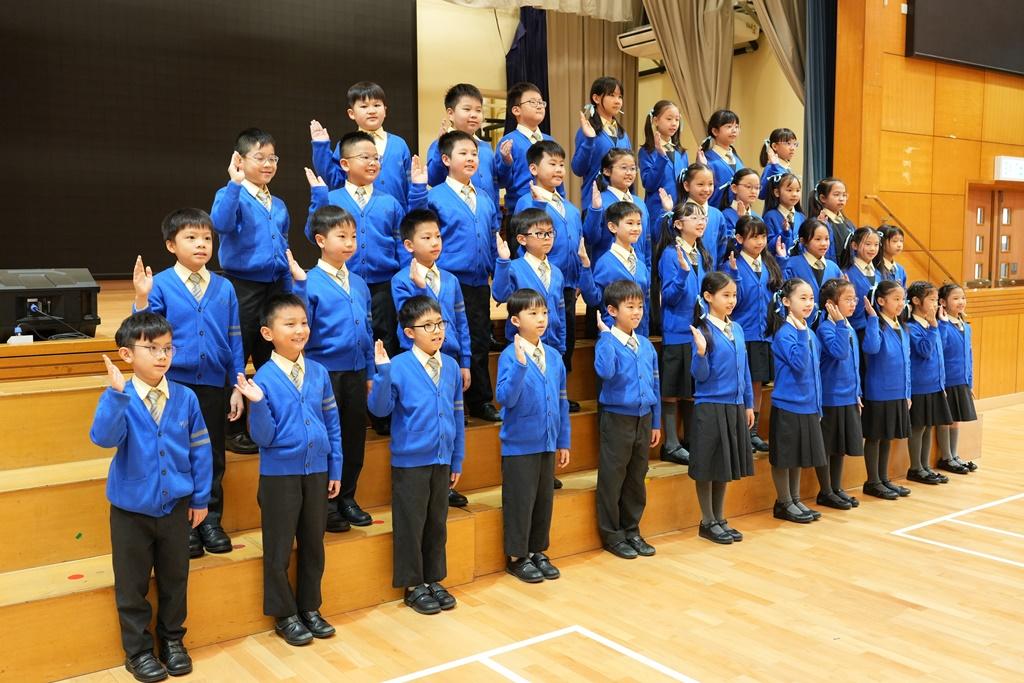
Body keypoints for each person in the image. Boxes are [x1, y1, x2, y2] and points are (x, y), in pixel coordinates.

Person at [90, 312, 212, 681]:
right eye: (152, 348)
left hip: (175, 509)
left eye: (167, 348)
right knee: (132, 585)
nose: (162, 356)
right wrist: (114, 395)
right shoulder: (121, 397)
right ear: (127, 354)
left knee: (175, 578)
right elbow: (103, 438)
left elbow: (200, 450)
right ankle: (138, 651)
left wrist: (200, 499)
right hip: (131, 513)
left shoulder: (186, 398)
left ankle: (173, 640)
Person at [131, 208, 243, 557]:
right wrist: (141, 299)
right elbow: (145, 332)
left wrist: (237, 385)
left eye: (207, 238)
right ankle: (183, 524)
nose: (201, 244)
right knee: (179, 453)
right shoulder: (161, 285)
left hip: (214, 386)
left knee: (212, 453)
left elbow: (235, 338)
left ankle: (210, 519)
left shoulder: (224, 287)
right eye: (191, 238)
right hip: (175, 386)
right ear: (171, 245)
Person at [234, 294, 341, 646]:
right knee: (279, 548)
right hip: (279, 477)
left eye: (304, 323)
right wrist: (258, 404)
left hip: (317, 472)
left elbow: (332, 424)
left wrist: (335, 468)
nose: (300, 330)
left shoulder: (319, 372)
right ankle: (285, 614)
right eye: (290, 324)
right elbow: (263, 437)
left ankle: (310, 607)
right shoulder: (263, 379)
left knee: (313, 544)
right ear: (268, 333)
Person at [368, 296, 466, 615]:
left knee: (437, 522)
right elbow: (379, 409)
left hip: (442, 458)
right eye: (428, 326)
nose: (437, 331)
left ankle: (433, 578)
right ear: (410, 332)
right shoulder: (398, 366)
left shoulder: (451, 366)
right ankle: (413, 585)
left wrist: (457, 458)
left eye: (440, 324)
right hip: (410, 462)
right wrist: (382, 373)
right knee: (411, 524)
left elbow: (457, 414)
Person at [292, 204, 375, 532]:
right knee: (328, 438)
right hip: (324, 373)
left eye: (353, 236)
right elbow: (301, 330)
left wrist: (370, 372)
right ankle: (325, 503)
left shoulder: (360, 283)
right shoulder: (308, 282)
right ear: (320, 240)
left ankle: (348, 497)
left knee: (354, 436)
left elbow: (368, 331)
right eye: (342, 236)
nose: (350, 242)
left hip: (355, 372)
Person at [210, 128, 290, 456]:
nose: (268, 164)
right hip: (241, 286)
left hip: (274, 287)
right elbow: (221, 224)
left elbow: (283, 246)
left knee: (271, 355)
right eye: (260, 158)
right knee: (237, 353)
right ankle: (231, 429)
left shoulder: (279, 203)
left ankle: (267, 423)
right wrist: (234, 183)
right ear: (240, 160)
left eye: (273, 158)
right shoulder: (231, 193)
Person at [391, 208, 474, 508]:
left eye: (437, 236)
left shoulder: (450, 279)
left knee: (450, 419)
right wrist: (421, 287)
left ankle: (446, 480)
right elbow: (416, 319)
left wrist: (465, 361)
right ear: (409, 245)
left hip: (449, 360)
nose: (435, 242)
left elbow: (461, 323)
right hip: (419, 362)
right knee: (427, 418)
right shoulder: (401, 280)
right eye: (426, 238)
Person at [423, 130, 501, 423]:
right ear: (446, 160)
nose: (471, 159)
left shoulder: (485, 197)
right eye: (463, 153)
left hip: (478, 282)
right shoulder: (434, 197)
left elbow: (492, 238)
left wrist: (496, 272)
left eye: (474, 154)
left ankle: (480, 401)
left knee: (478, 341)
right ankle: (450, 404)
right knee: (446, 341)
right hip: (447, 281)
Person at [495, 289, 571, 582]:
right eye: (533, 313)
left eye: (544, 313)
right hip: (519, 445)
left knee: (543, 500)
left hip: (547, 442)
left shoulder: (553, 356)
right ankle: (517, 556)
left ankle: (537, 549)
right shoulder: (509, 356)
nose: (541, 319)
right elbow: (505, 398)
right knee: (520, 501)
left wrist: (563, 440)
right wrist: (520, 366)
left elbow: (562, 401)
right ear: (515, 320)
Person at [514, 140, 587, 408]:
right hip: (538, 284)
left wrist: (577, 278)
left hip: (565, 284)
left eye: (561, 164)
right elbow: (524, 241)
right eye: (552, 163)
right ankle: (537, 394)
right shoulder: (528, 201)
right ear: (534, 169)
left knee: (564, 338)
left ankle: (559, 393)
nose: (558, 169)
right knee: (539, 337)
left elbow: (577, 242)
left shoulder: (569, 207)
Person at [593, 280, 661, 560]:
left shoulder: (646, 345)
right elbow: (605, 372)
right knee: (613, 478)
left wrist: (656, 422)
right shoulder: (606, 343)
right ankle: (612, 534)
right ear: (612, 310)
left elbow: (655, 385)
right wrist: (607, 337)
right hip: (617, 418)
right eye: (630, 307)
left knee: (636, 477)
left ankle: (632, 529)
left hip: (643, 419)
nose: (637, 312)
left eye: (640, 307)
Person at [688, 272, 755, 544]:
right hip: (711, 405)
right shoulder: (702, 330)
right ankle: (707, 521)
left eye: (734, 295)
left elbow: (745, 369)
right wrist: (701, 353)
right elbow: (699, 376)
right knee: (708, 466)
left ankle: (719, 517)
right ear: (708, 296)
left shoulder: (737, 328)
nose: (731, 301)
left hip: (734, 405)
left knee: (723, 465)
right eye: (725, 295)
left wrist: (748, 403)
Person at [654, 202, 712, 465]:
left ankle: (690, 439)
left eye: (702, 217)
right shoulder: (670, 254)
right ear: (678, 224)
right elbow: (668, 296)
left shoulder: (700, 252)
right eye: (693, 217)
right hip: (677, 329)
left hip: (698, 330)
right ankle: (671, 444)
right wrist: (683, 273)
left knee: (691, 386)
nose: (700, 221)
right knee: (672, 386)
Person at [815, 278, 879, 510]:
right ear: (831, 304)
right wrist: (841, 325)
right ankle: (825, 491)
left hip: (848, 396)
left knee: (839, 446)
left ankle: (836, 487)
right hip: (831, 398)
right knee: (827, 447)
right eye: (848, 300)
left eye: (854, 299)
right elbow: (840, 353)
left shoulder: (847, 326)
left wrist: (857, 392)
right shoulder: (826, 328)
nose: (853, 304)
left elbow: (854, 364)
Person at [766, 278, 826, 524]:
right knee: (785, 457)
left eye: (811, 298)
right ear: (786, 301)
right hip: (788, 405)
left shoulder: (808, 332)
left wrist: (818, 404)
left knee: (798, 456)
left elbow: (815, 372)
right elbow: (800, 365)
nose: (809, 303)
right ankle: (783, 502)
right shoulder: (786, 333)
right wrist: (802, 334)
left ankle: (794, 498)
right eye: (803, 298)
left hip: (808, 405)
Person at [727, 215, 787, 453]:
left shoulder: (769, 263)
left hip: (765, 334)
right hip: (744, 333)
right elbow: (735, 301)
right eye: (753, 237)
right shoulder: (732, 265)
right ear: (740, 238)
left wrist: (782, 262)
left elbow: (778, 294)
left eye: (762, 236)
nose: (760, 242)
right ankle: (739, 432)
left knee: (757, 383)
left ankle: (752, 433)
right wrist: (734, 275)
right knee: (742, 383)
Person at [309, 81, 417, 210]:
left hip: (395, 215)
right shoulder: (346, 144)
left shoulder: (399, 144)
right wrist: (321, 146)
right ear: (351, 113)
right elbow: (334, 180)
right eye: (364, 106)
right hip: (355, 213)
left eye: (377, 105)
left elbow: (410, 184)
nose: (372, 111)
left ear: (385, 110)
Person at [861, 281, 912, 500]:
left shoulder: (902, 326)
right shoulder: (876, 325)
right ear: (881, 301)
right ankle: (872, 481)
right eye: (896, 299)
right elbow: (871, 348)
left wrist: (907, 392)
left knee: (887, 437)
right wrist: (872, 318)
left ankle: (883, 478)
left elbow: (907, 362)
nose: (901, 303)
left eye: (903, 299)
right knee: (875, 437)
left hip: (898, 392)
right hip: (879, 392)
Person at [426, 83, 500, 220]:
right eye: (467, 109)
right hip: (452, 217)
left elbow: (494, 185)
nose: (473, 115)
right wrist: (439, 149)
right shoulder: (438, 145)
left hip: (487, 217)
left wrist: (497, 217)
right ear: (451, 113)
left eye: (478, 110)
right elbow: (433, 179)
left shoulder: (485, 147)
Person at [905, 281, 954, 485]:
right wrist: (934, 326)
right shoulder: (912, 327)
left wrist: (940, 325)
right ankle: (915, 468)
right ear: (916, 301)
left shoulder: (931, 324)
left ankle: (925, 466)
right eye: (932, 300)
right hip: (920, 387)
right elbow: (925, 351)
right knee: (918, 428)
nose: (936, 304)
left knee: (928, 426)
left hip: (935, 385)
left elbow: (941, 347)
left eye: (936, 300)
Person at [496, 81, 563, 216]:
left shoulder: (549, 140)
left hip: (551, 209)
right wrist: (506, 163)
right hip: (522, 212)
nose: (539, 106)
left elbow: (558, 179)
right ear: (516, 110)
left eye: (541, 102)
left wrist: (562, 201)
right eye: (532, 102)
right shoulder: (509, 141)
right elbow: (501, 182)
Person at [583, 148, 655, 270]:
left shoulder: (639, 203)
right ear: (607, 171)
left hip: (638, 271)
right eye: (623, 168)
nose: (629, 173)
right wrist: (595, 210)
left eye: (633, 168)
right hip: (610, 271)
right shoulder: (600, 201)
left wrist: (647, 271)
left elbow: (647, 243)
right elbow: (590, 238)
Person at [589, 201, 653, 337]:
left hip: (639, 335)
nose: (636, 228)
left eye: (639, 223)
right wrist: (584, 269)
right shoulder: (605, 263)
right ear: (612, 227)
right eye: (630, 223)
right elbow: (595, 298)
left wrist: (644, 337)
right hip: (613, 334)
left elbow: (645, 303)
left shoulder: (640, 265)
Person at [935, 283, 979, 474]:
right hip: (947, 381)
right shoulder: (942, 325)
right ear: (943, 302)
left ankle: (954, 455)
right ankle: (946, 457)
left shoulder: (965, 326)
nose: (961, 302)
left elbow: (969, 356)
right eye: (955, 298)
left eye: (963, 298)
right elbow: (940, 351)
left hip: (961, 381)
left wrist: (969, 382)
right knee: (945, 419)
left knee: (956, 419)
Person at [572, 75, 631, 202]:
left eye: (620, 96)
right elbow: (578, 169)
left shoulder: (623, 135)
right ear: (596, 98)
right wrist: (589, 140)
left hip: (623, 204)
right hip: (596, 201)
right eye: (611, 95)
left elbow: (630, 168)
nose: (617, 101)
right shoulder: (587, 131)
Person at [638, 100, 688, 219]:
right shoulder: (647, 151)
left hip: (680, 212)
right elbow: (649, 184)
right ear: (656, 121)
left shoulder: (681, 153)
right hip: (658, 212)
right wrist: (661, 156)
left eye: (677, 119)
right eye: (669, 119)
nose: (674, 123)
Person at [678, 162, 728, 268]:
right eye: (700, 184)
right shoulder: (679, 214)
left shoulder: (717, 215)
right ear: (686, 186)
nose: (706, 189)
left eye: (710, 184)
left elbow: (722, 251)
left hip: (712, 275)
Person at [783, 219, 843, 300]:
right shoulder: (791, 265)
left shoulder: (834, 268)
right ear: (803, 241)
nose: (824, 243)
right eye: (818, 239)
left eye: (827, 239)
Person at [836, 227, 882, 333]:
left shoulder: (880, 274)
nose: (873, 249)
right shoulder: (846, 274)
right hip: (855, 330)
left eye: (876, 245)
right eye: (868, 244)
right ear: (854, 245)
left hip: (877, 329)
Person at [698, 109, 743, 207]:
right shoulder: (707, 159)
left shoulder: (737, 159)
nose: (734, 130)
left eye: (736, 126)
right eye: (729, 126)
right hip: (716, 210)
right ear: (715, 131)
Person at [810, 177, 855, 263]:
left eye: (844, 195)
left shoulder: (848, 223)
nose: (841, 199)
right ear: (823, 198)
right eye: (836, 195)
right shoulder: (818, 223)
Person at [762, 172, 805, 252]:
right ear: (777, 192)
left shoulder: (801, 217)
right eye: (789, 190)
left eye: (798, 190)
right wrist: (784, 233)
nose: (794, 194)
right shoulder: (770, 216)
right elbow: (768, 246)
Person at [758, 127, 799, 200]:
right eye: (788, 143)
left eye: (795, 144)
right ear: (774, 146)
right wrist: (774, 167)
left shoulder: (786, 167)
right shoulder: (771, 167)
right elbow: (761, 194)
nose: (792, 148)